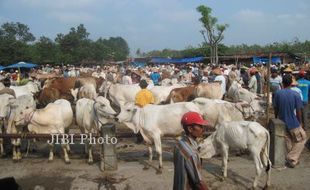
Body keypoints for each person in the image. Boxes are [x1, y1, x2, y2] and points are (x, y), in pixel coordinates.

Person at [273, 74, 307, 168]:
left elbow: (275, 108)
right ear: (291, 83)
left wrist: (276, 118)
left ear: (282, 83)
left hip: (281, 121)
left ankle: (291, 161)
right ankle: (291, 157)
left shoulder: (278, 93)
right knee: (302, 138)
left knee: (288, 140)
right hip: (293, 122)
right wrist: (300, 122)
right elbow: (299, 111)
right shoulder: (295, 94)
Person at [173, 111, 209, 190]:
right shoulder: (191, 153)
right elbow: (198, 183)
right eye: (200, 126)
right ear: (190, 129)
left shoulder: (179, 143)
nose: (203, 129)